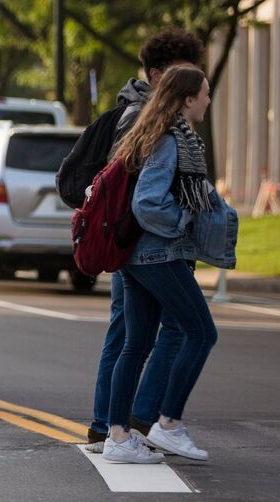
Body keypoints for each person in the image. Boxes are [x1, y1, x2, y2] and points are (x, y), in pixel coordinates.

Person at [103, 65, 234, 463]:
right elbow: (147, 202)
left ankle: (119, 438)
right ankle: (170, 424)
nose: (209, 100)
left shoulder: (154, 133)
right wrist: (182, 221)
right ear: (186, 99)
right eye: (205, 94)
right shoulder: (169, 141)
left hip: (135, 256)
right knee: (201, 332)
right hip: (157, 254)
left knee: (136, 345)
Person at [85, 28, 206, 452]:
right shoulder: (152, 123)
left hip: (134, 246)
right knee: (183, 330)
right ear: (161, 77)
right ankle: (149, 419)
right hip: (147, 246)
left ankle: (115, 428)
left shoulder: (144, 117)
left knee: (132, 338)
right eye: (188, 78)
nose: (201, 90)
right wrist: (183, 220)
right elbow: (147, 199)